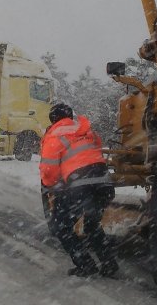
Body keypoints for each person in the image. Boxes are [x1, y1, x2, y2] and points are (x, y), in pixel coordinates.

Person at [40, 103, 118, 277]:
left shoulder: (55, 134)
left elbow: (48, 170)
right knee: (91, 225)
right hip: (103, 182)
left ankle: (85, 265)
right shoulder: (86, 129)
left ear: (53, 119)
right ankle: (109, 263)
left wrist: (53, 185)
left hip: (78, 185)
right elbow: (95, 149)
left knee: (61, 227)